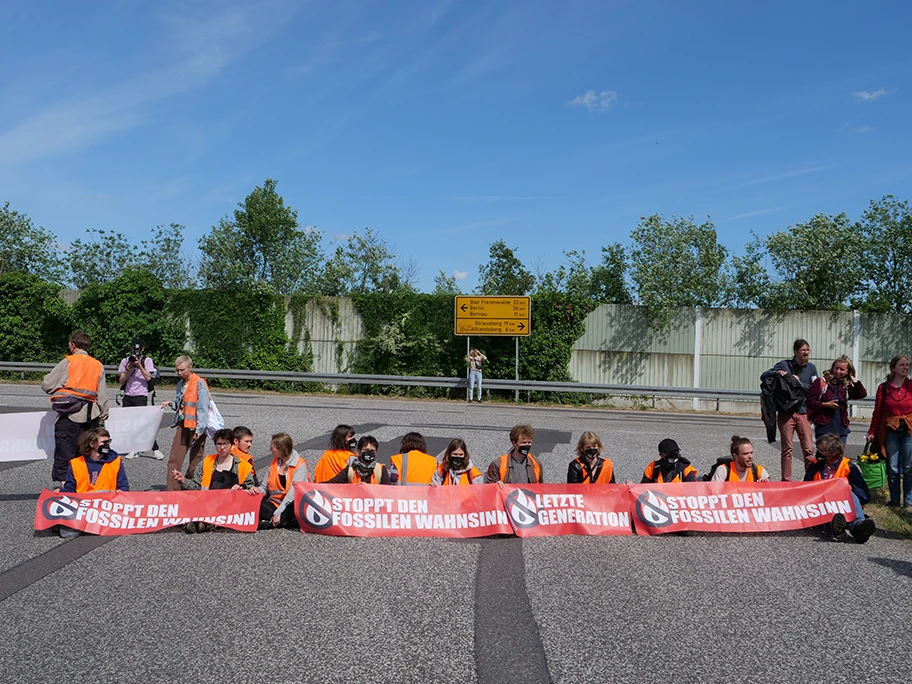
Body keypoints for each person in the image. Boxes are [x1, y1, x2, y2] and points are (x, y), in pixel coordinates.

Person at [41, 331, 110, 488]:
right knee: (87, 453)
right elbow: (103, 395)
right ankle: (85, 486)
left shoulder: (68, 362)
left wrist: (61, 389)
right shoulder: (97, 365)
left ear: (72, 345)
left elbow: (47, 384)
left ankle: (67, 488)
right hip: (91, 416)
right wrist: (103, 416)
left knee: (65, 452)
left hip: (70, 414)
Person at [171, 428, 258, 533]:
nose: (222, 448)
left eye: (225, 444)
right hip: (208, 501)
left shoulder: (243, 465)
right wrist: (183, 480)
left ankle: (204, 522)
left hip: (231, 503)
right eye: (219, 444)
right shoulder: (207, 462)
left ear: (232, 445)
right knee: (185, 499)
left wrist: (241, 488)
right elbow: (197, 486)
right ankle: (201, 522)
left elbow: (251, 487)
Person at [761, 339, 819, 481]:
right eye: (803, 350)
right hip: (786, 413)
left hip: (804, 412)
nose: (806, 353)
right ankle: (786, 481)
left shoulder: (811, 368)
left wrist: (798, 382)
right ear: (795, 351)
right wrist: (778, 373)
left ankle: (810, 480)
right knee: (787, 449)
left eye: (807, 350)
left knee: (808, 450)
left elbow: (814, 388)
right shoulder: (784, 364)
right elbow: (764, 376)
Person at [58, 427, 129, 539]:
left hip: (107, 504)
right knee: (66, 533)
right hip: (84, 505)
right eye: (104, 442)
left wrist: (120, 493)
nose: (107, 445)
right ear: (92, 444)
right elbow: (70, 488)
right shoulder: (76, 464)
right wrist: (60, 493)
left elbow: (124, 486)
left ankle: (90, 524)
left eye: (108, 441)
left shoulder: (115, 462)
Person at [804, 433, 876, 543]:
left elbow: (863, 492)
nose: (818, 451)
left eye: (822, 450)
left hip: (843, 503)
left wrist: (850, 489)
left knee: (850, 493)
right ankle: (834, 526)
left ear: (833, 453)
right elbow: (805, 485)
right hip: (821, 504)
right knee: (832, 517)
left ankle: (859, 528)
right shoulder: (816, 464)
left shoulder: (849, 466)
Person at [866, 354, 912, 508]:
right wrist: (872, 430)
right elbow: (878, 411)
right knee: (892, 467)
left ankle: (908, 501)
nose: (905, 367)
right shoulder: (884, 388)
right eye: (902, 365)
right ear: (893, 368)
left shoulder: (911, 386)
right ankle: (894, 501)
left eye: (907, 365)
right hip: (890, 432)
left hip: (909, 431)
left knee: (908, 467)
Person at [161, 356, 210, 491]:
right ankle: (172, 489)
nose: (179, 373)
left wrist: (200, 429)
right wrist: (171, 404)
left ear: (190, 367)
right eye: (177, 370)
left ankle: (192, 486)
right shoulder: (180, 384)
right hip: (183, 424)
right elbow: (182, 404)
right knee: (174, 458)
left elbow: (202, 408)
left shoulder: (199, 383)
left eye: (182, 370)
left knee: (196, 460)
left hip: (196, 426)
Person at [118, 338, 164, 460]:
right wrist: (129, 369)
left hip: (141, 395)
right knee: (129, 424)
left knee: (143, 424)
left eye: (138, 348)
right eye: (134, 347)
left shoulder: (147, 360)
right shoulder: (125, 361)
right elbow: (121, 380)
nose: (136, 350)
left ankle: (155, 449)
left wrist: (139, 365)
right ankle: (133, 449)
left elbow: (149, 377)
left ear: (142, 349)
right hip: (128, 396)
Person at [806, 355, 867, 443]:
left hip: (841, 427)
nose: (838, 371)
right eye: (836, 368)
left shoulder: (845, 386)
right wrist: (826, 404)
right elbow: (809, 402)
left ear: (848, 371)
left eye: (842, 370)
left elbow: (862, 394)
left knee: (839, 456)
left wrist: (854, 380)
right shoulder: (822, 382)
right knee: (824, 455)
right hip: (824, 427)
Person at [260, 433, 310, 529]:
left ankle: (278, 520)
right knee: (255, 504)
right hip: (275, 502)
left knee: (288, 509)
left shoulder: (300, 464)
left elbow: (292, 494)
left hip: (293, 502)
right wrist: (256, 491)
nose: (270, 450)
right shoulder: (274, 463)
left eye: (272, 447)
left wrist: (278, 512)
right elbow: (264, 488)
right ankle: (281, 520)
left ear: (281, 449)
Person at [325, 436, 391, 484]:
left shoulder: (381, 469)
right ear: (359, 451)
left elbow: (387, 491)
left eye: (372, 451)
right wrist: (315, 486)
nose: (369, 453)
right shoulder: (350, 470)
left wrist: (368, 488)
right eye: (366, 450)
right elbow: (332, 484)